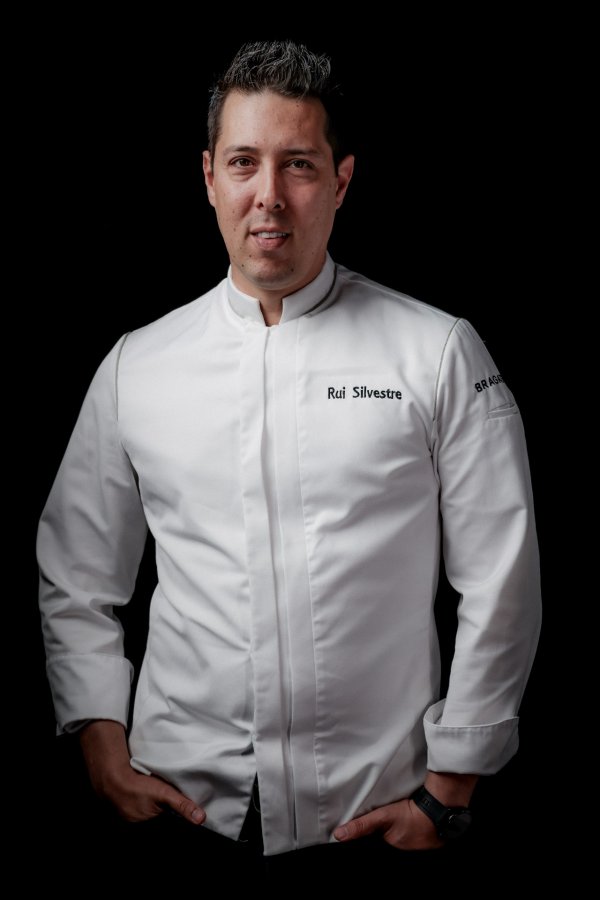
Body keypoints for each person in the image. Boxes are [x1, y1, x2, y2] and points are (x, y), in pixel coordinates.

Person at [37, 40, 541, 884]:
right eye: (244, 162)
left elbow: (502, 576)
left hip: (374, 820)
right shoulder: (137, 366)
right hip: (180, 816)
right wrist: (97, 734)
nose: (268, 194)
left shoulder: (436, 352)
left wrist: (454, 780)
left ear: (341, 180)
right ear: (209, 177)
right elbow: (76, 571)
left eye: (298, 164)